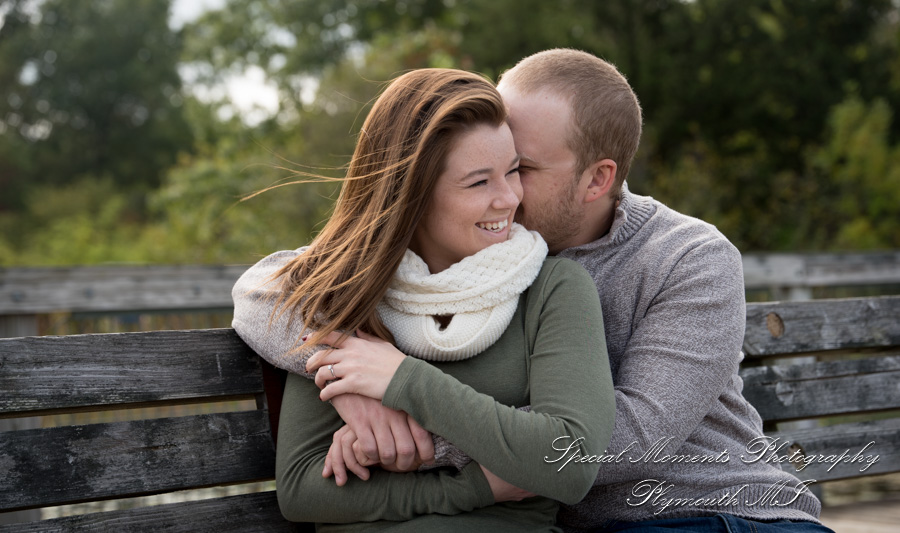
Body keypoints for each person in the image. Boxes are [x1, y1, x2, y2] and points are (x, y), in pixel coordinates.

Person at [237, 51, 834, 533]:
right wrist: (340, 372)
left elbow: (619, 443)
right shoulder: (478, 256)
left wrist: (401, 432)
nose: (507, 194)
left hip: (713, 511)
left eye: (518, 167)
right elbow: (266, 289)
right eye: (483, 169)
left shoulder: (688, 259)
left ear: (597, 178)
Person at [232, 68, 615, 531]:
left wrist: (402, 380)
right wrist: (471, 488)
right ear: (411, 195)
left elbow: (570, 464)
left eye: (513, 171)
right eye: (479, 183)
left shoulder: (554, 289)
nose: (509, 198)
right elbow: (302, 489)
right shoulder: (343, 296)